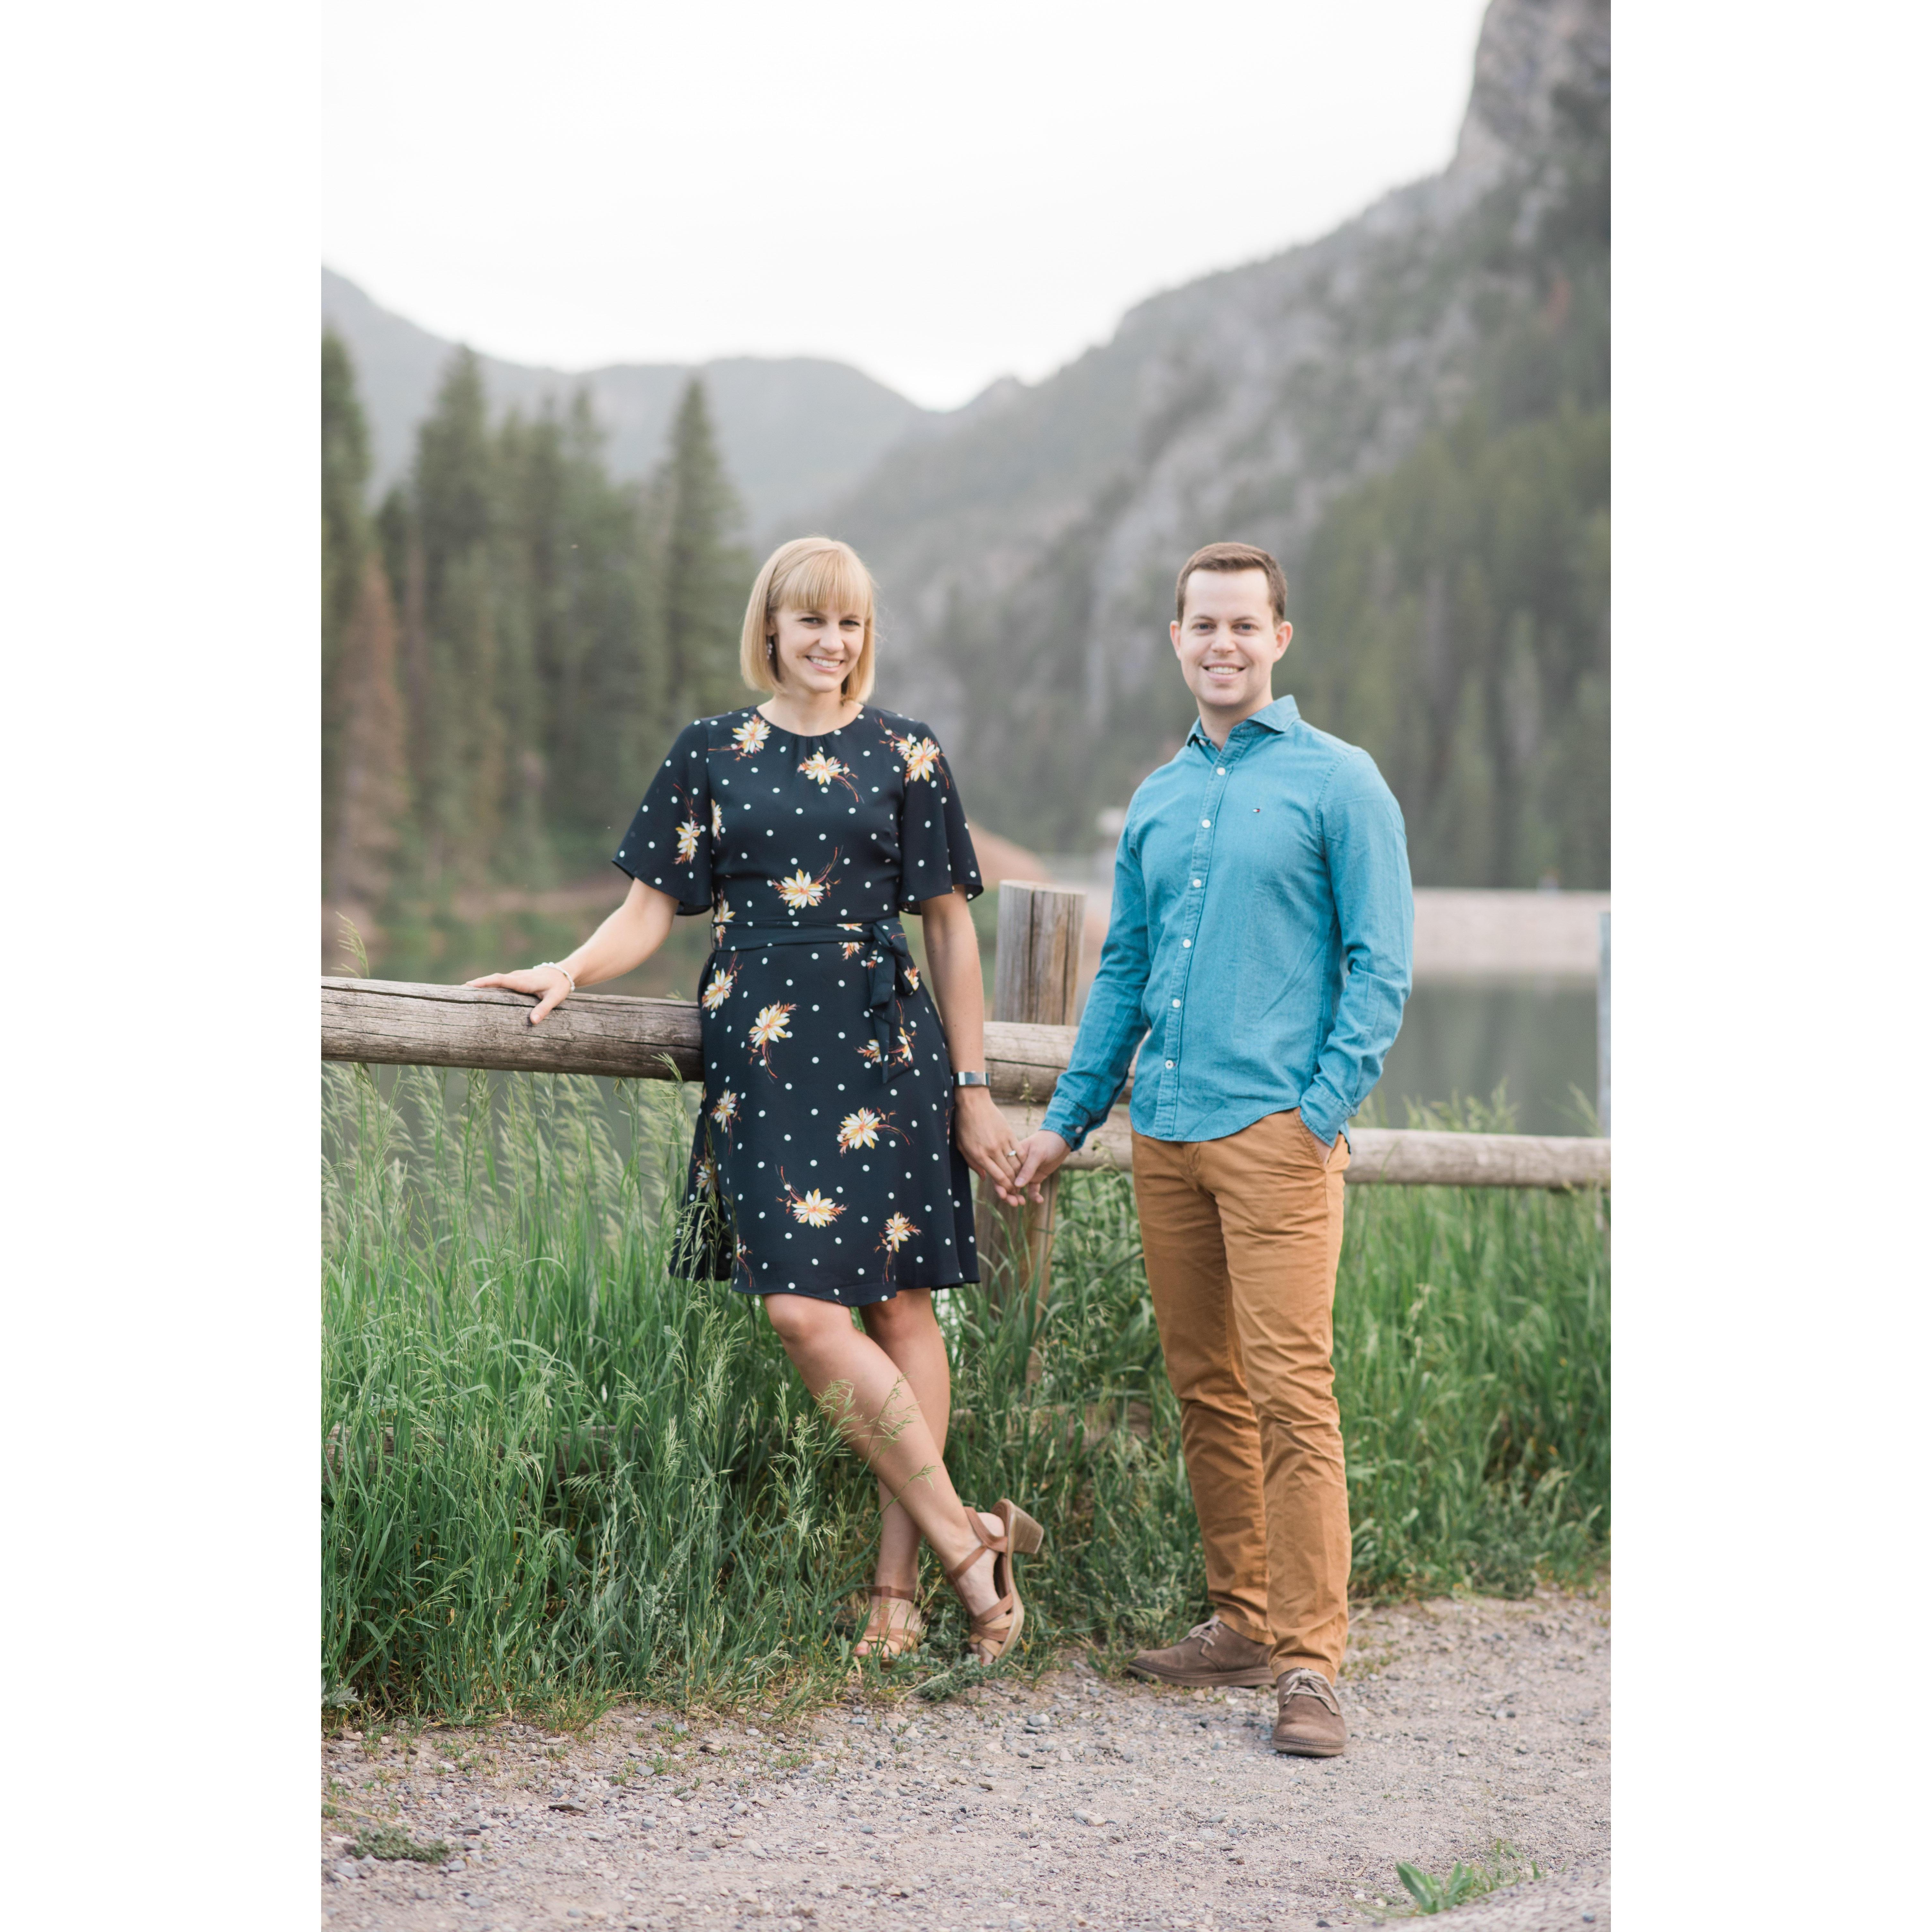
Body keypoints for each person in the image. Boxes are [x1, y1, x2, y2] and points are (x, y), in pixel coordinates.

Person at [469, 536, 1041, 1667]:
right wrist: (572, 970)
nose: (831, 644)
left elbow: (949, 930)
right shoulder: (710, 752)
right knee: (800, 1313)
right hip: (766, 1057)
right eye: (810, 621)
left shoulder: (907, 752)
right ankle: (974, 1545)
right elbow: (650, 908)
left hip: (887, 1047)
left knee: (903, 1314)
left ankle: (899, 1591)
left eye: (852, 625)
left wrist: (971, 1091)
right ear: (770, 628)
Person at [1008, 541, 1412, 1756]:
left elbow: (1379, 965)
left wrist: (1321, 1110)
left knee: (1296, 1396)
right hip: (1166, 1138)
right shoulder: (1158, 798)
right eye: (1203, 627)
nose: (1223, 645)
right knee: (1207, 1390)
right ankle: (1241, 1617)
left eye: (1245, 625)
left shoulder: (1342, 783)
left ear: (1279, 638)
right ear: (1176, 638)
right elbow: (1123, 970)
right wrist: (1071, 1119)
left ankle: (1310, 1667)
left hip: (1277, 1138)